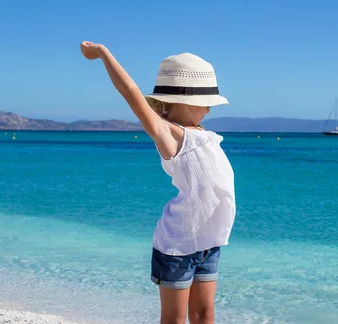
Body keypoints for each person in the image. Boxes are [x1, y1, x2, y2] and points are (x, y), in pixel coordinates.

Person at [80, 41, 236, 324]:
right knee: (174, 319)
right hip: (178, 246)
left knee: (204, 315)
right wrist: (103, 54)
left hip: (209, 241)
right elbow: (130, 93)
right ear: (187, 102)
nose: (209, 111)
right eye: (207, 104)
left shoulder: (204, 133)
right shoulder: (169, 134)